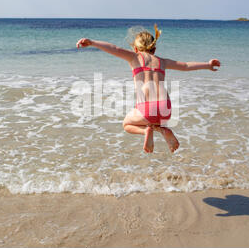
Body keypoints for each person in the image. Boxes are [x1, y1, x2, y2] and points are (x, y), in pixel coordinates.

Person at [76, 24, 220, 153]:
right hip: (166, 109)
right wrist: (207, 65)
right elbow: (186, 66)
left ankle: (146, 131)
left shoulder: (134, 57)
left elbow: (114, 48)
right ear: (154, 48)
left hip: (146, 107)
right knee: (153, 119)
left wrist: (93, 42)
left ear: (136, 48)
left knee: (126, 124)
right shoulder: (162, 61)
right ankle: (163, 130)